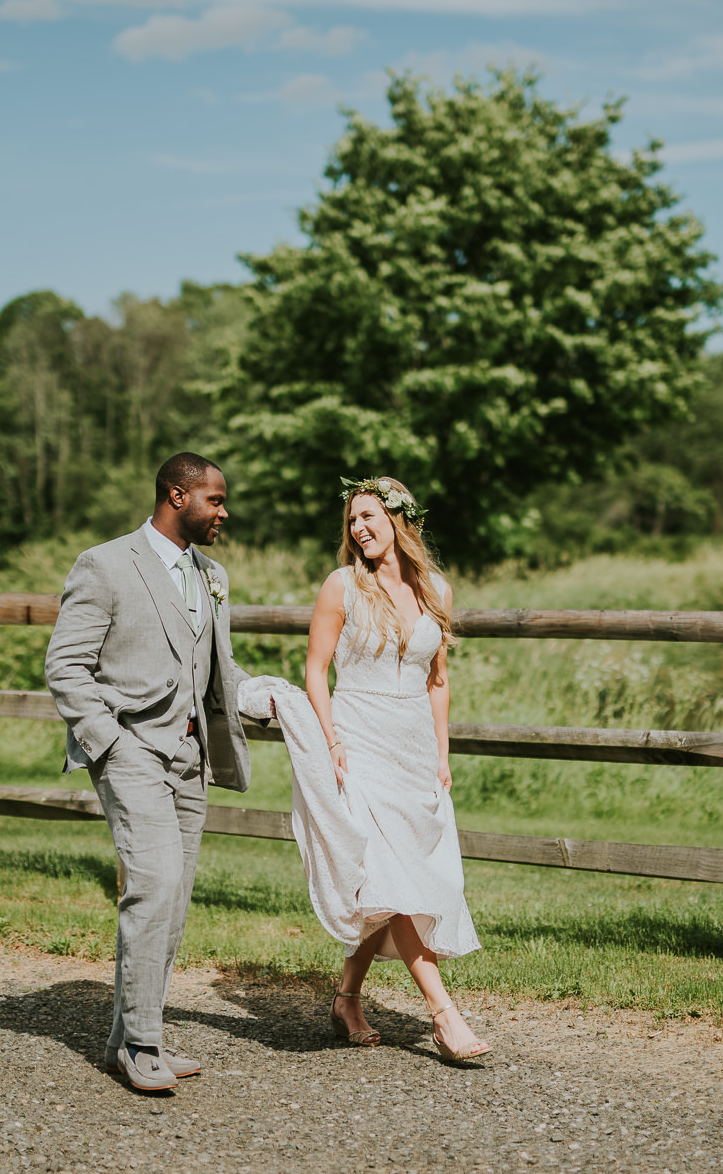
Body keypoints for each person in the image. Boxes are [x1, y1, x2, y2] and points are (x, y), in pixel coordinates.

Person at [43, 452, 264, 1092]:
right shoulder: (106, 564)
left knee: (174, 899)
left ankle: (128, 1039)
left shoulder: (212, 574)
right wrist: (109, 744)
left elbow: (216, 668)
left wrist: (267, 696)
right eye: (215, 501)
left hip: (192, 759)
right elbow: (66, 667)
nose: (224, 512)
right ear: (178, 495)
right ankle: (142, 1045)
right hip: (130, 750)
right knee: (154, 885)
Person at [295, 476, 489, 1062]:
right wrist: (330, 742)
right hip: (358, 741)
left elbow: (439, 680)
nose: (359, 528)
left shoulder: (436, 590)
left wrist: (442, 752)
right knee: (393, 878)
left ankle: (347, 997)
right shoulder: (342, 586)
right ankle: (445, 1016)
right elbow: (315, 671)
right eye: (352, 520)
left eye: (370, 516)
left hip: (413, 751)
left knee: (396, 879)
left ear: (401, 521)